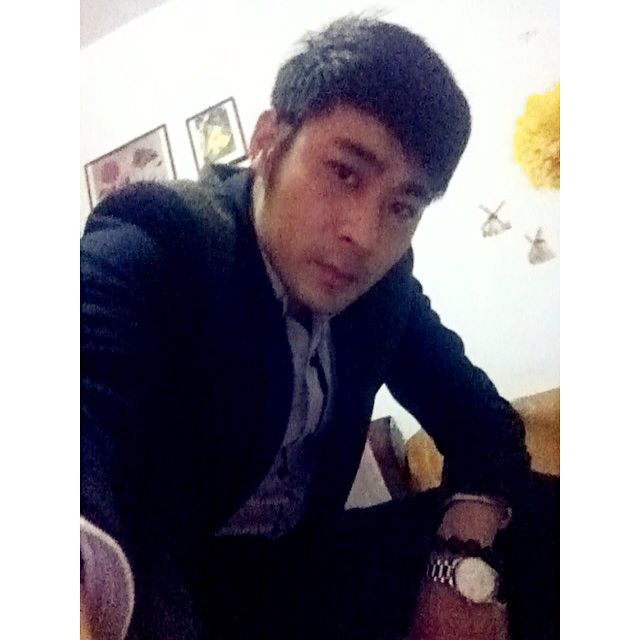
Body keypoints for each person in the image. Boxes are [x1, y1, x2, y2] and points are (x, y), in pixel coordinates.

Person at [80, 16, 558, 640]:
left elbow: (484, 424)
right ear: (268, 140)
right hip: (168, 589)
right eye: (345, 172)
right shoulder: (162, 238)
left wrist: (461, 564)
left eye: (402, 206)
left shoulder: (382, 289)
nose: (364, 234)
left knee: (549, 523)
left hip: (300, 576)